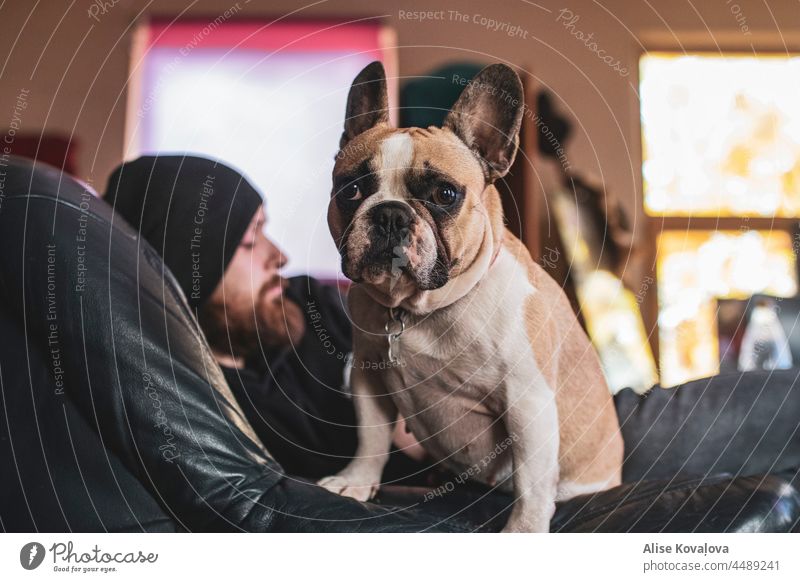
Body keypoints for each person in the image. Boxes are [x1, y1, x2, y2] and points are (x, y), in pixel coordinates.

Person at [103, 154, 425, 481]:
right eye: (250, 240)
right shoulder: (213, 417)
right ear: (189, 272)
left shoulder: (308, 299)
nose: (280, 256)